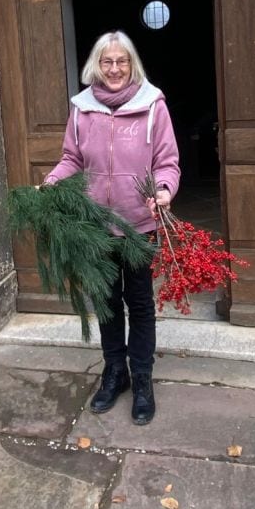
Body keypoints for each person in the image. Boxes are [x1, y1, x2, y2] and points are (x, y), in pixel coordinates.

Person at [43, 31, 180, 424]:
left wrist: (165, 190)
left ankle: (141, 378)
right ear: (97, 67)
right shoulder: (82, 109)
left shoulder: (153, 106)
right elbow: (71, 157)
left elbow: (167, 162)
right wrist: (51, 183)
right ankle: (113, 372)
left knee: (139, 304)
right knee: (105, 304)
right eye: (107, 62)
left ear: (131, 64)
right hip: (96, 227)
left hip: (138, 225)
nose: (115, 68)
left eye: (121, 61)